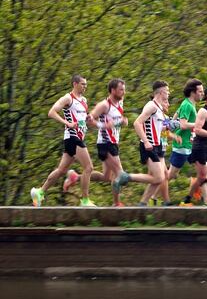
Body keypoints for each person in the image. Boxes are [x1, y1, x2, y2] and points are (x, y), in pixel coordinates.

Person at [31, 74, 96, 207]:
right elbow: (52, 112)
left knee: (61, 170)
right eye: (83, 84)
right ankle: (85, 200)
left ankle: (39, 191)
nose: (85, 87)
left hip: (78, 136)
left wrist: (88, 119)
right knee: (89, 167)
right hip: (73, 137)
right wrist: (67, 123)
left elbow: (80, 117)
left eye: (86, 84)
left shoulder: (84, 100)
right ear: (75, 84)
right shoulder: (68, 98)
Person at [112, 81, 171, 206]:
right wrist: (146, 141)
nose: (169, 93)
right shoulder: (152, 106)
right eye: (167, 91)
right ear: (161, 92)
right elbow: (137, 123)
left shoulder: (159, 108)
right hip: (150, 146)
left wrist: (171, 125)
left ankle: (143, 204)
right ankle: (126, 177)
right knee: (159, 178)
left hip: (157, 145)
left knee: (162, 176)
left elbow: (159, 127)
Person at [159, 78, 207, 206]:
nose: (202, 94)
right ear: (192, 92)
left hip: (191, 145)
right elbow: (183, 125)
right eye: (200, 91)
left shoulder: (190, 105)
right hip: (182, 146)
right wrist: (199, 124)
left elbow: (176, 117)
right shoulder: (187, 105)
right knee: (171, 175)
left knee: (203, 170)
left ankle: (206, 199)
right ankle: (153, 196)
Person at [82, 79, 128, 206]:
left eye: (124, 90)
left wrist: (123, 121)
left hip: (114, 143)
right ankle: (116, 203)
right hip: (105, 144)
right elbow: (89, 120)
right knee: (120, 175)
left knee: (106, 177)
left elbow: (116, 121)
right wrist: (104, 125)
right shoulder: (104, 105)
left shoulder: (120, 103)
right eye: (121, 90)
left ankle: (75, 178)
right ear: (113, 90)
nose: (123, 93)